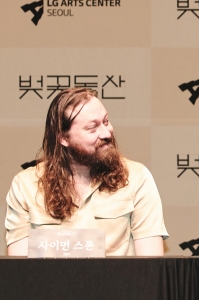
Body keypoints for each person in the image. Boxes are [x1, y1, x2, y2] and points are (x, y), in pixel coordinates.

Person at [5, 88, 168, 256]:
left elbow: (151, 269)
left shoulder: (136, 178)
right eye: (92, 128)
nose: (106, 133)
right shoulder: (25, 186)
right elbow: (20, 272)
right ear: (63, 138)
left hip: (118, 283)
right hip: (49, 283)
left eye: (106, 121)